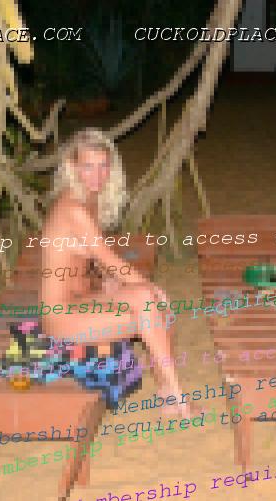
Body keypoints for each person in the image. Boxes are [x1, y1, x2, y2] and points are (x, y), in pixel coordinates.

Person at [41, 128, 192, 416]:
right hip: (60, 317)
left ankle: (168, 391)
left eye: (103, 166)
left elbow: (94, 257)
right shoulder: (73, 208)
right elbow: (109, 259)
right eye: (88, 166)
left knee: (151, 305)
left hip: (82, 303)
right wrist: (152, 289)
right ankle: (175, 395)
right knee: (151, 305)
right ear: (73, 167)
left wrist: (109, 282)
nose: (97, 175)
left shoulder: (89, 199)